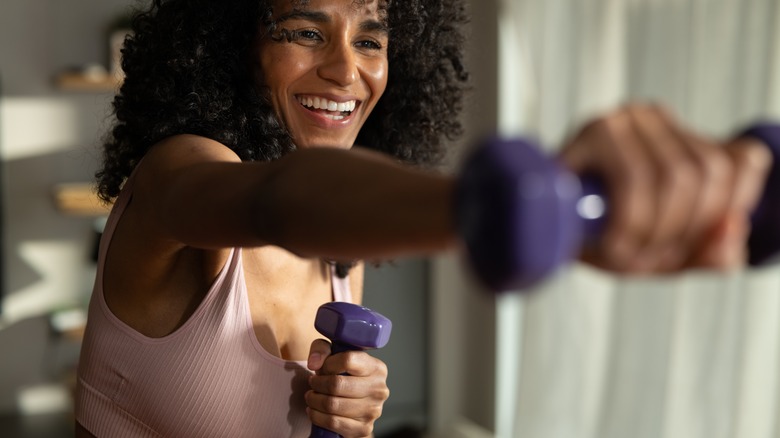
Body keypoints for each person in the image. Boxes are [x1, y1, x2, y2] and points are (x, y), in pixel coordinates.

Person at [74, 0, 771, 437]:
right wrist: (511, 202)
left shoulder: (339, 259)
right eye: (304, 31)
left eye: (371, 40)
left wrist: (348, 411)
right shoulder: (181, 174)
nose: (347, 70)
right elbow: (277, 201)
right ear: (232, 46)